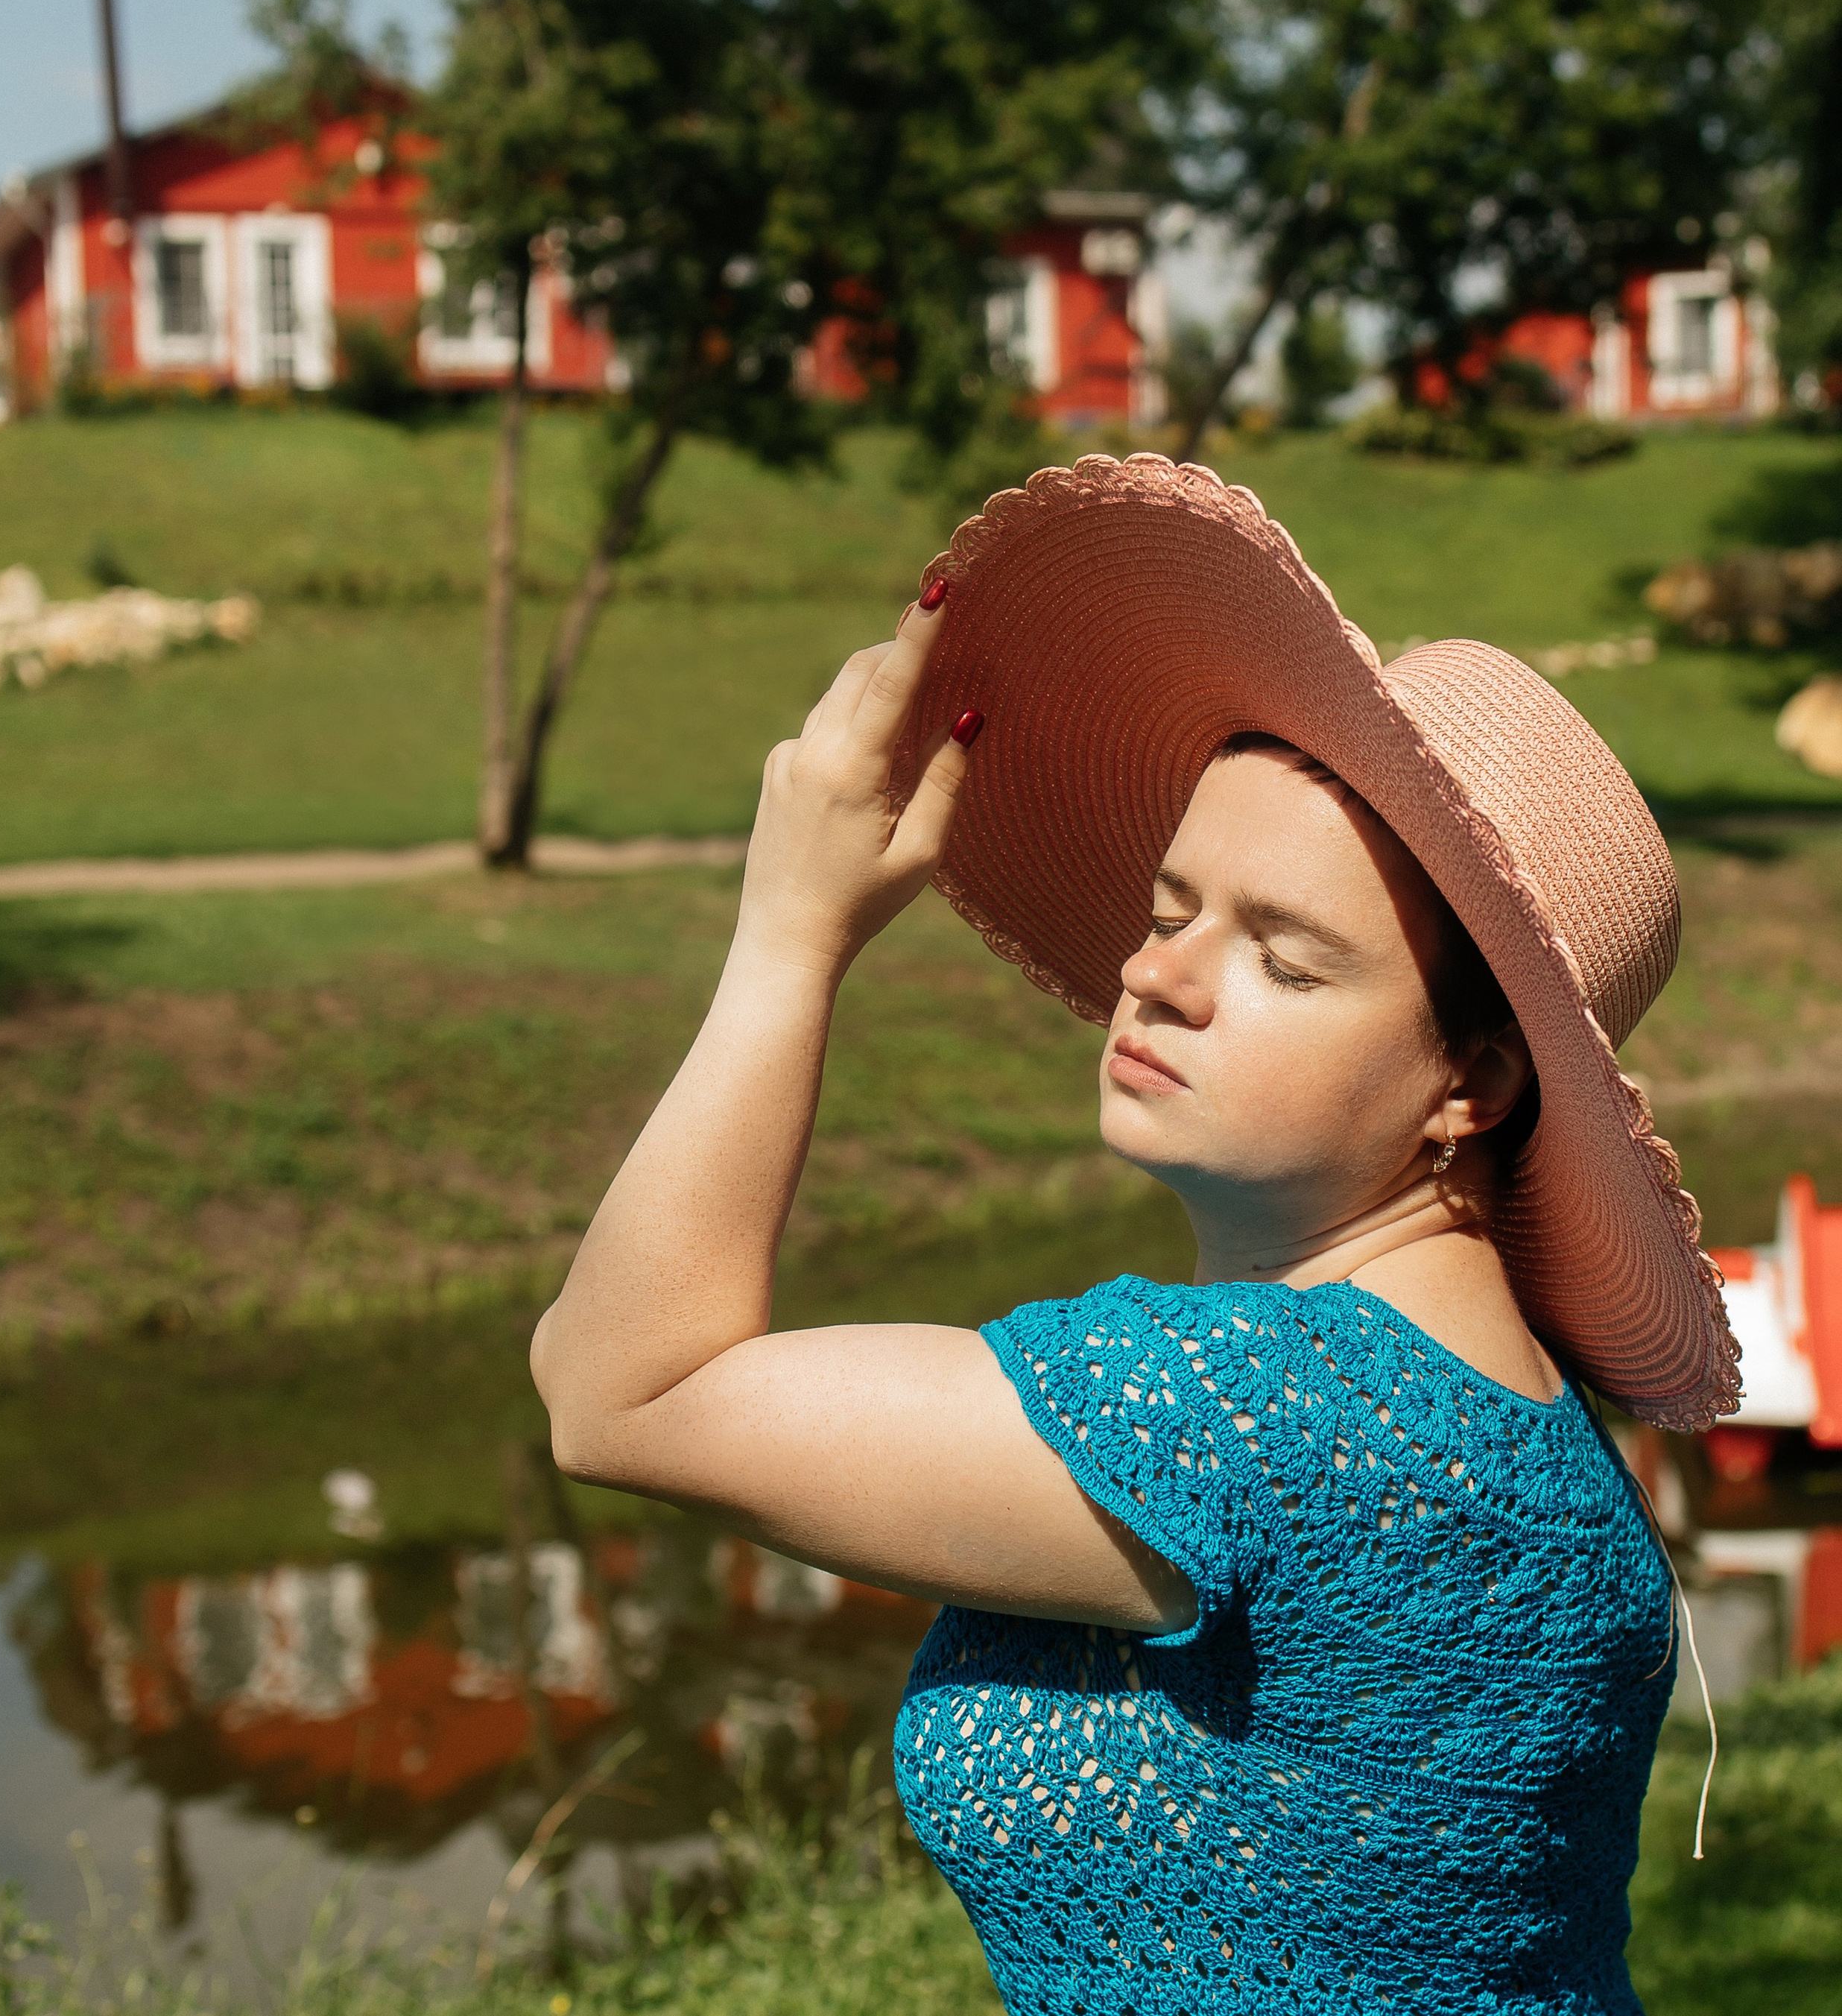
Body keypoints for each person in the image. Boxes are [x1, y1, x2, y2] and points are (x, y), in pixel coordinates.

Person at [531, 452, 1738, 2015]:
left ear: (1470, 1081)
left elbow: (616, 1388)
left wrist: (787, 934)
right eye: (1172, 910)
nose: (1157, 977)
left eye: (1283, 962)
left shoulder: (1251, 1418)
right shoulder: (1521, 1427)